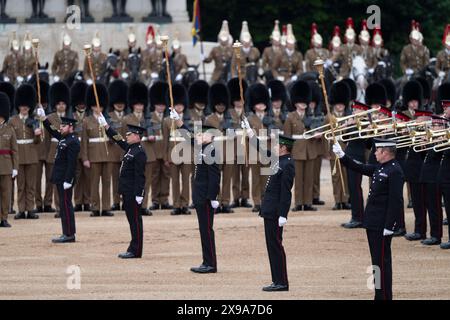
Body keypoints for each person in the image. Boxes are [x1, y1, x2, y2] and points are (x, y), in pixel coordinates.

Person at [333, 138, 404, 300]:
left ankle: (384, 296)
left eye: (377, 151)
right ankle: (379, 294)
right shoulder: (382, 167)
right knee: (376, 262)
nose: (374, 153)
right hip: (373, 222)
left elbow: (396, 201)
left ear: (386, 153)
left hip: (382, 225)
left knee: (382, 263)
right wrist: (342, 155)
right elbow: (360, 167)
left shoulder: (395, 171)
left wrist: (390, 225)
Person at [241, 116, 294, 292]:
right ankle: (277, 280)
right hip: (269, 210)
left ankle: (282, 282)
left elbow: (286, 192)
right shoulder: (279, 160)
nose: (274, 147)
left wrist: (283, 215)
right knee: (272, 247)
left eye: (277, 145)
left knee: (276, 246)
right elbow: (262, 150)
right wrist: (250, 132)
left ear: (284, 148)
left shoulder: (287, 165)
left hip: (275, 212)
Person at [170, 109, 221, 273]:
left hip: (206, 198)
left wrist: (212, 197)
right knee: (203, 230)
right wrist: (178, 120)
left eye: (202, 134)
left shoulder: (211, 150)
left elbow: (215, 176)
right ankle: (207, 261)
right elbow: (188, 136)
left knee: (206, 230)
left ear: (211, 136)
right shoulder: (203, 148)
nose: (198, 136)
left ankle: (210, 264)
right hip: (200, 196)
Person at [99, 116, 147, 259]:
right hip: (127, 191)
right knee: (132, 221)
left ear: (137, 136)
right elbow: (118, 139)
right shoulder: (131, 148)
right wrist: (107, 127)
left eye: (129, 134)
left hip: (133, 192)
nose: (127, 136)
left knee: (135, 221)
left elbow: (140, 176)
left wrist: (139, 194)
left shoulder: (139, 152)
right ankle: (134, 248)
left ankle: (136, 250)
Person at [37, 107, 80, 243]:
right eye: (60, 125)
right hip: (60, 177)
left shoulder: (73, 141)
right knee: (64, 205)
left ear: (71, 127)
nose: (60, 128)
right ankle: (66, 232)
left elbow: (72, 163)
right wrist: (44, 118)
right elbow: (51, 130)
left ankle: (69, 234)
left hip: (65, 179)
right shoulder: (64, 137)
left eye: (63, 125)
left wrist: (68, 180)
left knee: (66, 206)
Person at [0, 92, 18, 228]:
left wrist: (15, 168)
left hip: (6, 165)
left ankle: (4, 218)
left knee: (6, 194)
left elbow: (14, 150)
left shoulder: (10, 130)